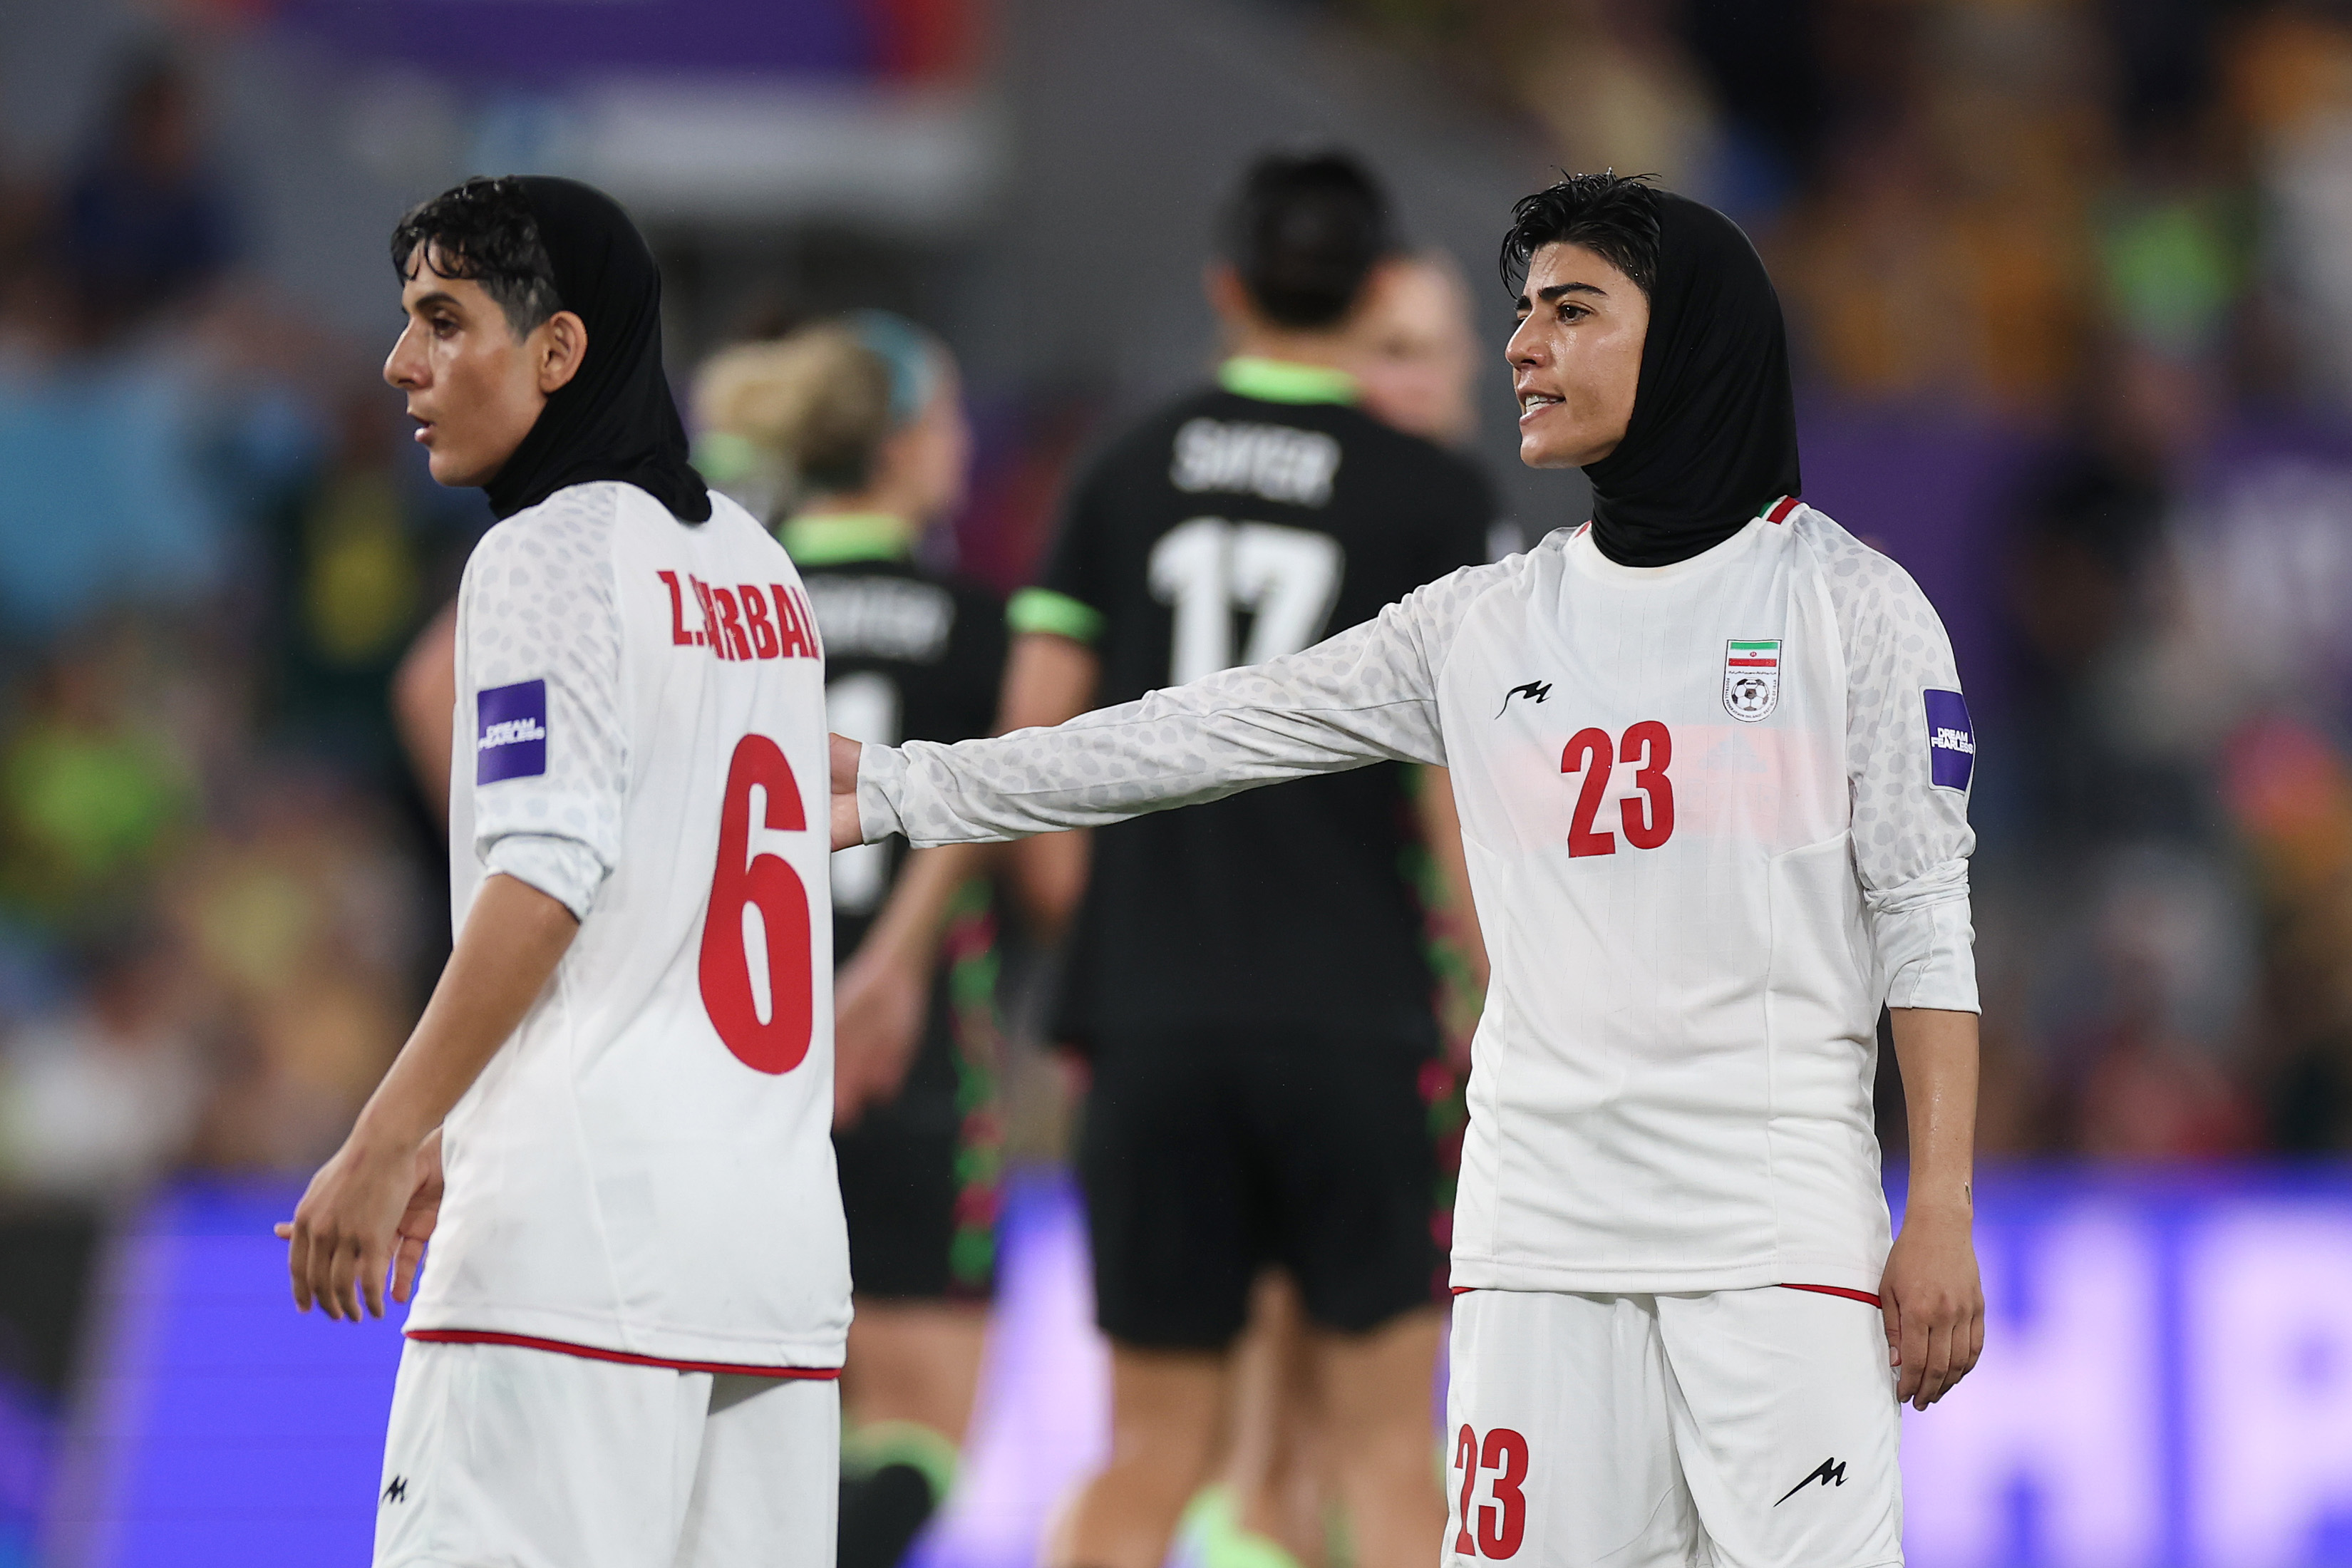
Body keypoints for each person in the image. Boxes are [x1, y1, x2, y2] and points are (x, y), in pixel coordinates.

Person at [833, 172, 1986, 1568]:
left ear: (1687, 338)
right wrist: (908, 784)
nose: (1522, 347)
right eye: (1519, 316)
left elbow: (1926, 917)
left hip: (1776, 1237)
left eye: (1572, 311)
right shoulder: (1480, 622)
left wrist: (1939, 1207)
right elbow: (1194, 729)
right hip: (1539, 1235)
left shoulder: (1856, 611)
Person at [277, 175, 847, 1568]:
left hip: (574, 1254)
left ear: (559, 350)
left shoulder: (546, 551)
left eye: (442, 320)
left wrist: (394, 1131)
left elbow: (547, 878)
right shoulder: (759, 565)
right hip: (769, 1257)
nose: (402, 365)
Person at [992, 150, 1493, 1568]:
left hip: (1149, 1017)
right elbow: (1454, 804)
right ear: (1375, 290)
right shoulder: (1430, 495)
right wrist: (1482, 995)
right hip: (1350, 1016)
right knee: (1395, 1453)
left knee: (1151, 1447)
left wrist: (1119, 936)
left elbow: (1031, 754)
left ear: (1227, 290)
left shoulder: (1121, 467)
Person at [695, 312, 1007, 1568]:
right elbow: (1026, 832)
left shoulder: (723, 610)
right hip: (916, 1055)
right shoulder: (983, 620)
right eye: (951, 420)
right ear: (903, 443)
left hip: (736, 1049)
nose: (967, 446)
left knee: (770, 1422)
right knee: (924, 1429)